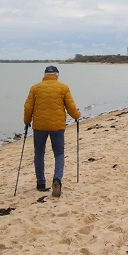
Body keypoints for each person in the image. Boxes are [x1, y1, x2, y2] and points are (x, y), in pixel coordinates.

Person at [23, 65, 81, 198]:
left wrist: (27, 121)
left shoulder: (35, 88)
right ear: (57, 75)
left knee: (39, 153)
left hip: (39, 127)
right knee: (59, 153)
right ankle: (57, 180)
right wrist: (77, 115)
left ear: (44, 75)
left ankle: (40, 183)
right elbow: (71, 108)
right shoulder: (63, 88)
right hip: (57, 127)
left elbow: (28, 107)